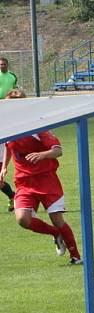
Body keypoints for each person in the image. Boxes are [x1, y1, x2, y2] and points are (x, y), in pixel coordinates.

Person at [0, 90, 82, 265]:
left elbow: (58, 150)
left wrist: (42, 154)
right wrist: (5, 167)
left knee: (57, 219)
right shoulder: (7, 126)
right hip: (23, 182)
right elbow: (8, 145)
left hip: (46, 180)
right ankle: (55, 234)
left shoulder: (38, 127)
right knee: (22, 219)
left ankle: (76, 257)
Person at [0, 57, 19, 211]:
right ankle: (13, 196)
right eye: (0, 64)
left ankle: (14, 196)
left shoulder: (12, 76)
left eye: (4, 63)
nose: (2, 66)